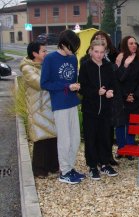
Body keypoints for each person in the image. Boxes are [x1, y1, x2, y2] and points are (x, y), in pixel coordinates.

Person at [40, 30, 85, 184]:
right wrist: (67, 86)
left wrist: (76, 86)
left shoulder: (72, 59)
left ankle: (70, 168)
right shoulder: (50, 59)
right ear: (63, 44)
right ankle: (64, 172)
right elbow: (44, 83)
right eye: (70, 48)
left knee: (75, 139)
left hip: (72, 102)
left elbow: (73, 78)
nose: (72, 52)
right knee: (64, 140)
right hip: (59, 104)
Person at [78, 40, 119, 180]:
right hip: (90, 110)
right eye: (96, 51)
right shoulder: (85, 66)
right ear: (91, 51)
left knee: (105, 137)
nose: (99, 55)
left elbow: (114, 83)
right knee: (91, 138)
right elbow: (82, 87)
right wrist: (97, 92)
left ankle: (104, 163)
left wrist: (110, 92)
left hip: (106, 110)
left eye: (102, 52)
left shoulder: (108, 66)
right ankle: (92, 165)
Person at [20, 42, 59, 178]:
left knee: (52, 137)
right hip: (38, 108)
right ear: (35, 53)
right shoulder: (27, 68)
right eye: (43, 51)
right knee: (41, 139)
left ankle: (53, 166)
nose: (46, 53)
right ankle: (39, 170)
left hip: (50, 107)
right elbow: (39, 83)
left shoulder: (44, 65)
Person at [114, 36, 139, 159]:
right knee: (120, 124)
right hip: (121, 98)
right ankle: (121, 148)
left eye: (135, 43)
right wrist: (124, 65)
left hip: (135, 98)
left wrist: (134, 95)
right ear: (125, 45)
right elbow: (118, 80)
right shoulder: (119, 59)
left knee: (131, 125)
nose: (134, 45)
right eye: (130, 43)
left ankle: (130, 149)